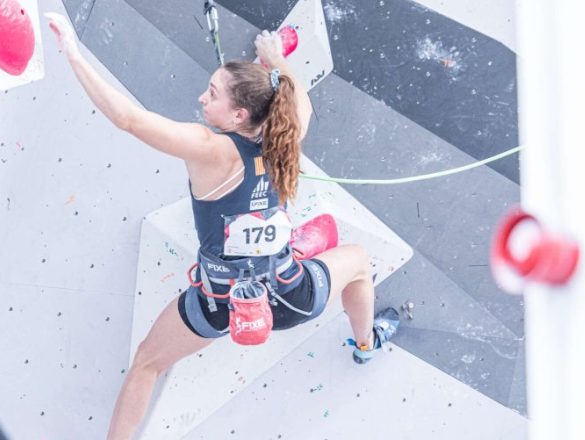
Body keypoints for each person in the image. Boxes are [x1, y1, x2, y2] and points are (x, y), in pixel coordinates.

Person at [45, 12, 399, 440]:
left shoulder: (212, 151)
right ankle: (365, 347)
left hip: (219, 305)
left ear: (238, 116)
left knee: (147, 363)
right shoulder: (287, 135)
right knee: (358, 262)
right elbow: (300, 97)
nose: (201, 97)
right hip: (290, 295)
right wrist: (275, 61)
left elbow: (130, 120)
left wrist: (73, 53)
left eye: (211, 94)